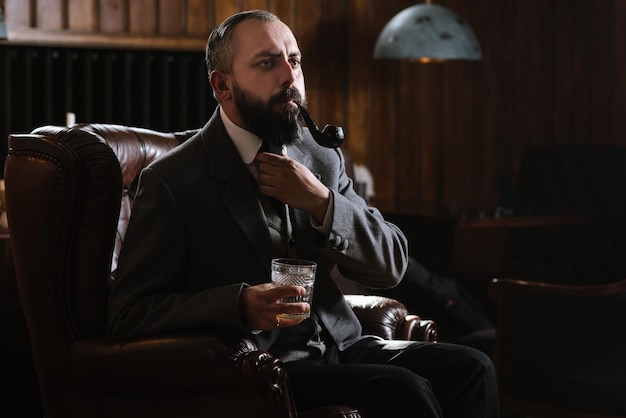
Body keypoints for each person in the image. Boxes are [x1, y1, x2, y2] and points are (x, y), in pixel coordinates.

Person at [107, 9, 499, 418]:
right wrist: (237, 305)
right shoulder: (171, 181)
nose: (289, 77)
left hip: (343, 346)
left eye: (293, 60)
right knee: (404, 390)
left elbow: (392, 267)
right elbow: (128, 314)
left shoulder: (321, 157)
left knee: (474, 367)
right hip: (265, 369)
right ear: (222, 85)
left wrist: (323, 203)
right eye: (267, 63)